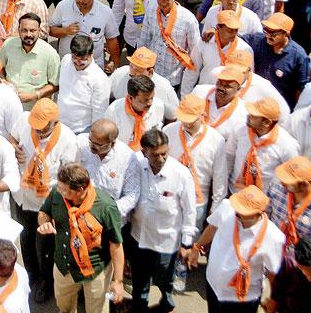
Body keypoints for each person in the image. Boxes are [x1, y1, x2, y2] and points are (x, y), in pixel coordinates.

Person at [36, 163, 126, 313]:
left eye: (65, 190)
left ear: (80, 190)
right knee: (64, 307)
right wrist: (44, 223)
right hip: (64, 266)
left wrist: (118, 281)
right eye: (59, 187)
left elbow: (116, 245)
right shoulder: (57, 194)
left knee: (95, 310)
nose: (59, 191)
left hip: (95, 270)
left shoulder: (105, 206)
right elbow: (43, 213)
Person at [12, 100, 79, 301]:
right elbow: (12, 138)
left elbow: (70, 177)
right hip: (24, 196)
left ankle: (46, 283)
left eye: (43, 128)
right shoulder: (25, 121)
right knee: (26, 238)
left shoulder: (68, 140)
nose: (38, 132)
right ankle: (31, 277)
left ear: (55, 123)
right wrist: (16, 149)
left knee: (46, 245)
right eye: (35, 128)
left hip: (48, 202)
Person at [186, 185, 286, 313]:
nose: (236, 212)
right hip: (214, 287)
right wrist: (196, 247)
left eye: (242, 211)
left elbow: (273, 273)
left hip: (243, 299)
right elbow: (212, 228)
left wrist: (273, 299)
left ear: (257, 214)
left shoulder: (273, 237)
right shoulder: (227, 207)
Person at [130, 129, 197, 313]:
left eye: (164, 154)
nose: (160, 159)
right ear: (144, 152)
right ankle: (139, 307)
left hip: (166, 242)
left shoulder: (181, 174)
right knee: (139, 280)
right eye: (155, 155)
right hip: (139, 237)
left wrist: (187, 243)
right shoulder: (135, 164)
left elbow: (190, 211)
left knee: (165, 280)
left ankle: (167, 304)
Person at [213, 98, 300, 207]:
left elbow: (290, 178)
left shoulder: (287, 145)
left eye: (253, 115)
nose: (248, 116)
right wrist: (222, 192)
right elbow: (228, 158)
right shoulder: (240, 128)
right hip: (235, 193)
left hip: (262, 202)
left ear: (266, 122)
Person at [266, 155, 311, 259]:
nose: (282, 183)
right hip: (271, 252)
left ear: (304, 185)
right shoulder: (276, 186)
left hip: (297, 264)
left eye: (287, 182)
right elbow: (265, 217)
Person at [0, 13, 59, 109]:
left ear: (39, 31)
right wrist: (3, 80)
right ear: (19, 31)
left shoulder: (50, 54)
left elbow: (55, 85)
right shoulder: (8, 45)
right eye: (24, 30)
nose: (28, 34)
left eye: (32, 30)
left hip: (35, 111)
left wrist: (34, 95)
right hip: (8, 105)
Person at [54, 34, 111, 135]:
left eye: (83, 59)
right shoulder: (66, 60)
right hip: (59, 124)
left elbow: (99, 113)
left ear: (91, 55)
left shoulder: (100, 79)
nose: (78, 62)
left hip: (81, 130)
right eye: (75, 58)